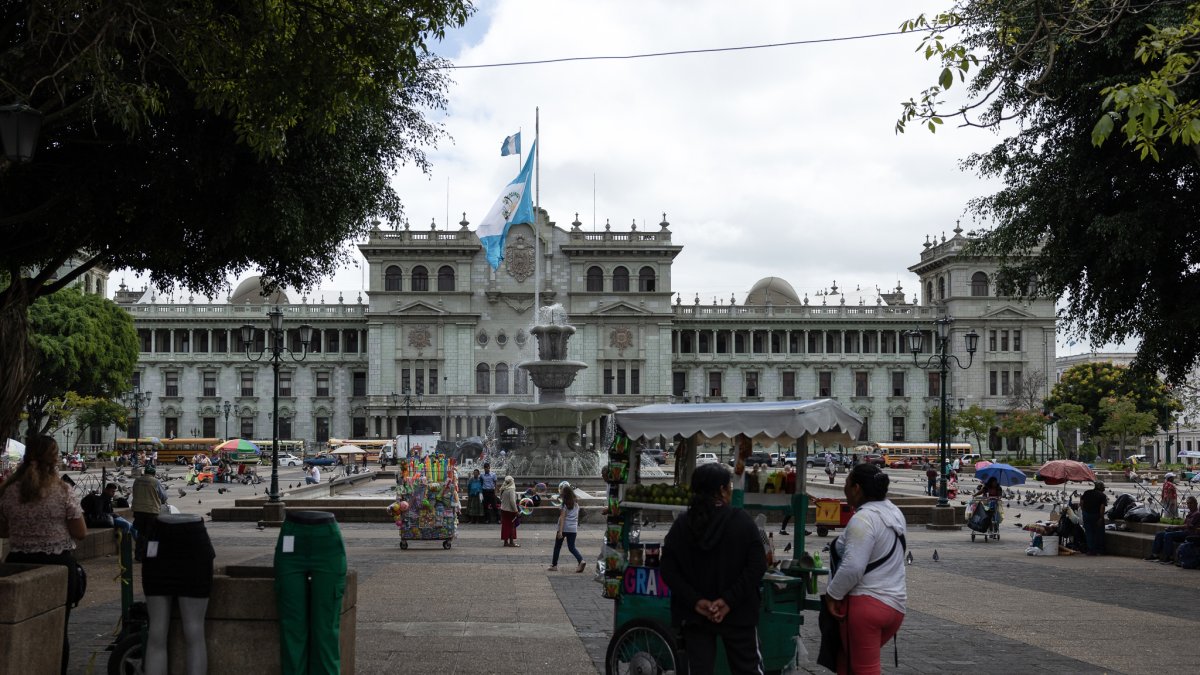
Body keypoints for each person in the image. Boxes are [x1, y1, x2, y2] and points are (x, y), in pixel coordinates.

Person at [660, 463, 767, 675]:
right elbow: (757, 566)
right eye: (728, 486)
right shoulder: (742, 522)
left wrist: (696, 601)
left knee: (699, 670)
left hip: (695, 616)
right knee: (748, 669)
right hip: (739, 613)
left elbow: (668, 569)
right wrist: (728, 601)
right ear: (721, 490)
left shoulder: (682, 525)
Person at [0, 435, 87, 674]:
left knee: (18, 631)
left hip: (17, 563)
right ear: (54, 459)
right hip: (57, 564)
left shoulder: (9, 490)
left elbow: (3, 528)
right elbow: (80, 532)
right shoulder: (61, 490)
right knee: (58, 631)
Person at [825, 463, 908, 675]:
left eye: (846, 483)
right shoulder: (894, 513)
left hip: (866, 606)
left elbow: (853, 568)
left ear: (857, 489)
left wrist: (832, 595)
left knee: (864, 670)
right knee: (846, 663)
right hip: (894, 605)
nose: (844, 488)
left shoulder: (862, 519)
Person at [1146, 496, 1200, 563]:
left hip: (1189, 534)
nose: (1189, 505)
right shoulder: (1190, 513)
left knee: (1168, 535)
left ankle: (1168, 557)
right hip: (1183, 532)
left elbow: (1188, 526)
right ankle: (1155, 555)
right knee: (1159, 534)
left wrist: (1175, 528)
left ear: (1196, 504)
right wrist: (1173, 529)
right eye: (1188, 503)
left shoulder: (1197, 514)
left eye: (1191, 503)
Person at [132, 464, 168, 562]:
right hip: (151, 511)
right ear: (154, 473)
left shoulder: (137, 480)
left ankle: (139, 556)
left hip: (138, 511)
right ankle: (151, 556)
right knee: (152, 535)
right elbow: (164, 496)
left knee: (141, 534)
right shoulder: (155, 482)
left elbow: (134, 492)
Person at [548, 483, 585, 572]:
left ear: (565, 494)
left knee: (557, 546)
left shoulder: (564, 505)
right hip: (573, 529)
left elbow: (562, 519)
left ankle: (554, 565)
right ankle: (581, 560)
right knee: (572, 547)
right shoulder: (576, 504)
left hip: (564, 528)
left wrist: (560, 531)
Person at [1079, 480, 1109, 556]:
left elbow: (1081, 503)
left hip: (1086, 515)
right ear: (1101, 487)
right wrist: (1101, 518)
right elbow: (1102, 508)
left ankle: (1091, 550)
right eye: (1103, 488)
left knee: (1089, 533)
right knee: (1099, 533)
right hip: (1096, 516)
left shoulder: (1087, 492)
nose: (1104, 489)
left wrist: (1083, 511)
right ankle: (1100, 550)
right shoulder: (1102, 495)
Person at [499, 475, 519, 547]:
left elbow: (501, 498)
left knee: (505, 526)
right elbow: (512, 501)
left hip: (503, 509)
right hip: (510, 510)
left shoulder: (503, 488)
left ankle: (505, 542)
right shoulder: (511, 489)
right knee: (511, 526)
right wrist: (516, 511)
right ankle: (511, 542)